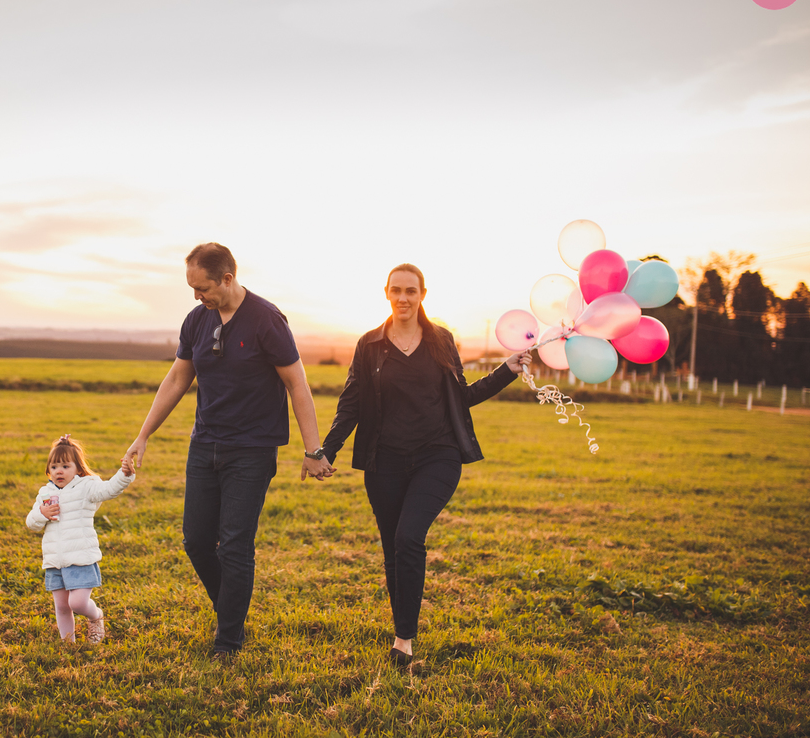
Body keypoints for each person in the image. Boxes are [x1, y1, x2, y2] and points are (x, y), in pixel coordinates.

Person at [123, 242, 334, 660]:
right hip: (204, 445)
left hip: (252, 450)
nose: (196, 296)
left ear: (227, 278)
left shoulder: (266, 320)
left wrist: (313, 449)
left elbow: (297, 384)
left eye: (202, 288)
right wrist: (143, 435)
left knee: (235, 545)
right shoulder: (196, 320)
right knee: (197, 541)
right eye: (191, 288)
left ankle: (228, 639)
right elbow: (177, 379)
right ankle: (230, 610)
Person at [320, 263, 530, 667]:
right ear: (386, 293)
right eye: (396, 290)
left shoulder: (440, 340)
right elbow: (351, 403)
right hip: (384, 461)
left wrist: (506, 371)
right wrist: (327, 450)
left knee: (408, 538)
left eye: (411, 291)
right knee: (392, 548)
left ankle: (404, 640)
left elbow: (461, 397)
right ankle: (402, 627)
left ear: (422, 295)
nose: (403, 298)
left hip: (437, 454)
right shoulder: (369, 345)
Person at [26, 434, 135, 643]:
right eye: (54, 466)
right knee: (61, 606)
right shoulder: (45, 494)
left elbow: (109, 489)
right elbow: (31, 523)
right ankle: (68, 643)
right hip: (55, 561)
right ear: (48, 470)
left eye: (65, 466)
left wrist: (124, 474)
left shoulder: (86, 487)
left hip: (80, 558)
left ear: (78, 469)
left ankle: (96, 616)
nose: (59, 471)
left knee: (76, 603)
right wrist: (41, 513)